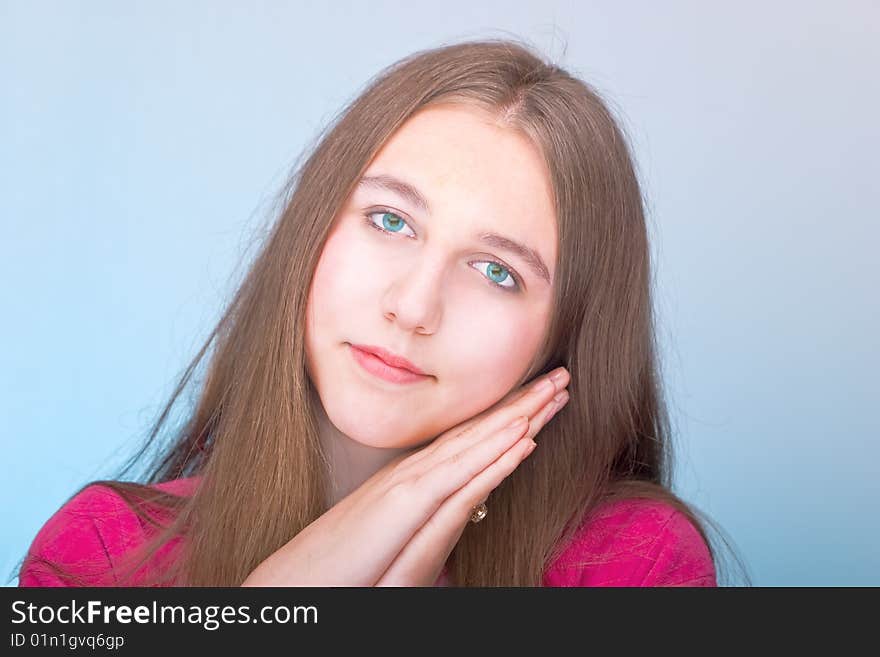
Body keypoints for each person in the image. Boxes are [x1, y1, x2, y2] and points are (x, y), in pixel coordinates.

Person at [17, 38, 734, 587]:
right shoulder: (99, 555)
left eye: (497, 271)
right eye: (390, 221)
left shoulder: (630, 563)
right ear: (313, 229)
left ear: (562, 335)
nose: (414, 306)